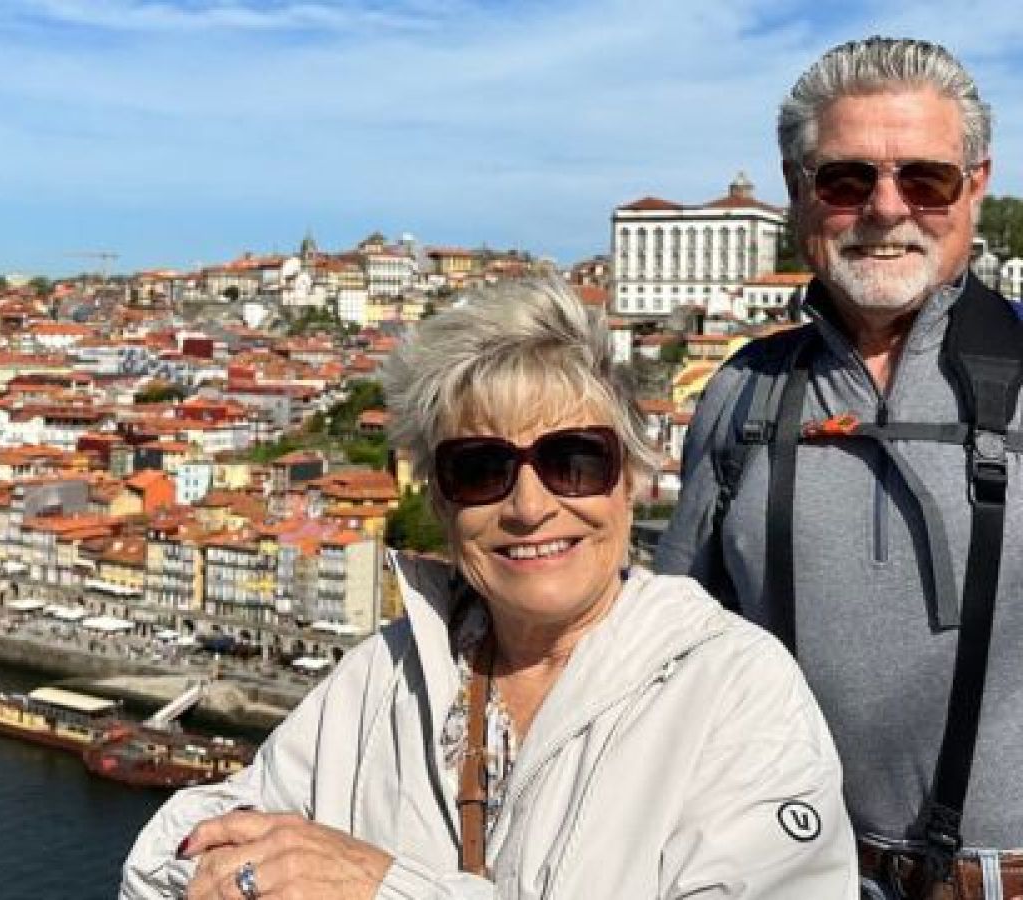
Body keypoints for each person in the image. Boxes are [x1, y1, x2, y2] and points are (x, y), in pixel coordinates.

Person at [119, 279, 855, 899]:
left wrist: (384, 888)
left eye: (573, 460)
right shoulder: (385, 676)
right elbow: (159, 866)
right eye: (479, 468)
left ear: (633, 478)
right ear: (441, 501)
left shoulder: (735, 690)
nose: (529, 507)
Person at [656, 36, 1023, 900]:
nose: (886, 210)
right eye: (846, 180)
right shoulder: (741, 395)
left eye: (926, 179)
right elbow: (668, 651)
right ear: (798, 192)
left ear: (977, 185)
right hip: (798, 878)